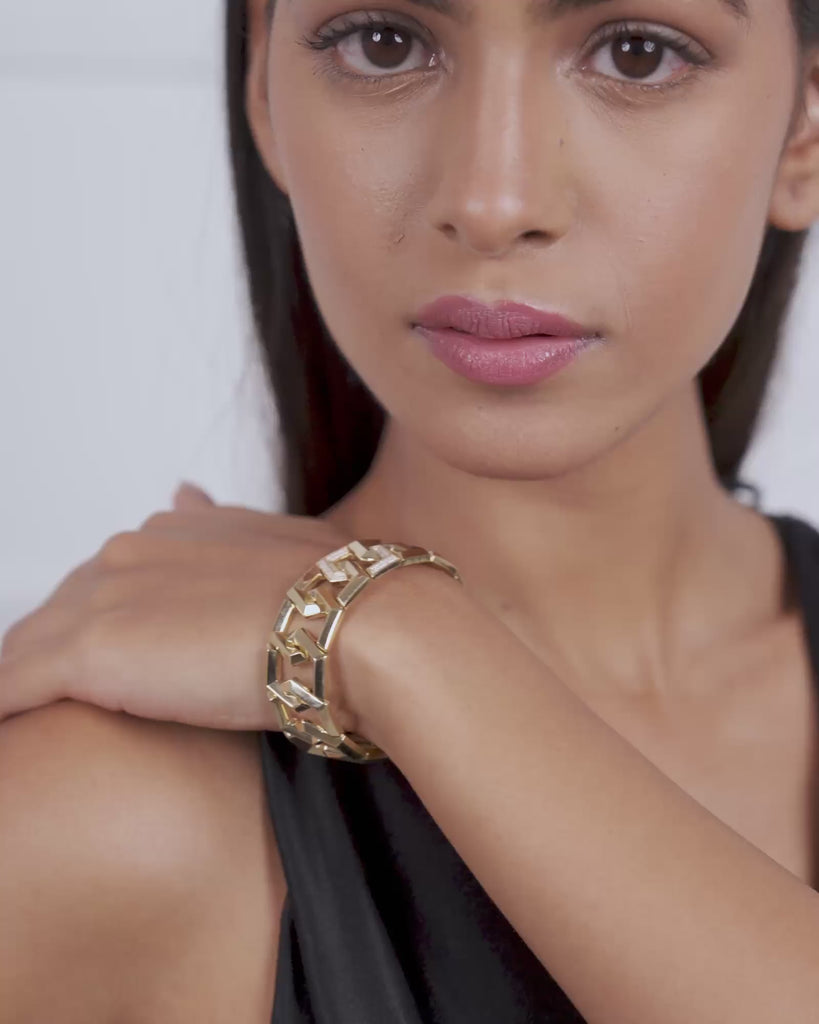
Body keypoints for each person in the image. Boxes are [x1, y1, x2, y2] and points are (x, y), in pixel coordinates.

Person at [1, 0, 819, 1019]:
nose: (493, 200)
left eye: (637, 53)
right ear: (264, 96)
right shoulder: (100, 826)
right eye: (384, 42)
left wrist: (400, 634)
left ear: (804, 128)